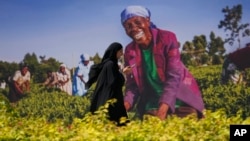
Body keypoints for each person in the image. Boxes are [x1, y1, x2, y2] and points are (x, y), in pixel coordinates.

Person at [120, 5, 205, 120]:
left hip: (180, 100)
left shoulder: (167, 38)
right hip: (153, 102)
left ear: (148, 21)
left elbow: (174, 77)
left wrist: (162, 112)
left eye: (138, 22)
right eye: (128, 26)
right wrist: (124, 107)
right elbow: (133, 86)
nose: (134, 28)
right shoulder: (130, 51)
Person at [88, 42, 128, 126]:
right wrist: (123, 73)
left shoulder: (110, 63)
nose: (122, 54)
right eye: (120, 51)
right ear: (115, 52)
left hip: (110, 98)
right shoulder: (110, 65)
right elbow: (113, 82)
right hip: (111, 99)